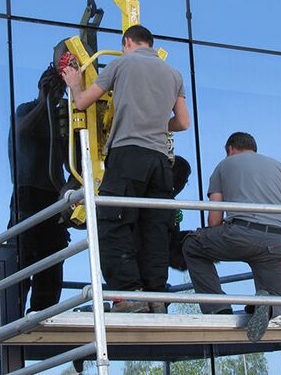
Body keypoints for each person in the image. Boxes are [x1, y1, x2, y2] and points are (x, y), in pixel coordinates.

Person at [62, 24, 190, 313]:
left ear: (127, 42)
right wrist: (157, 125)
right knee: (155, 229)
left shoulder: (121, 63)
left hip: (127, 154)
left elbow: (83, 102)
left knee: (112, 222)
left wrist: (74, 82)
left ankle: (129, 294)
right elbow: (182, 123)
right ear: (151, 44)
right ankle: (156, 297)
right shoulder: (174, 74)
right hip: (160, 162)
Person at [182, 132, 281, 341]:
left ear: (230, 149)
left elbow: (214, 221)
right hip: (278, 240)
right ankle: (267, 305)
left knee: (192, 245)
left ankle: (217, 307)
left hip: (240, 234)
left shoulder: (224, 166)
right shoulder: (280, 168)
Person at [9, 65, 70, 313]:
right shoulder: (26, 110)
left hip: (52, 194)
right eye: (51, 86)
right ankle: (12, 314)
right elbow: (21, 132)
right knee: (23, 254)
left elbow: (69, 157)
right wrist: (43, 102)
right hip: (28, 193)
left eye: (59, 87)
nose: (56, 92)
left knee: (52, 260)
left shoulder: (61, 118)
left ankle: (44, 313)